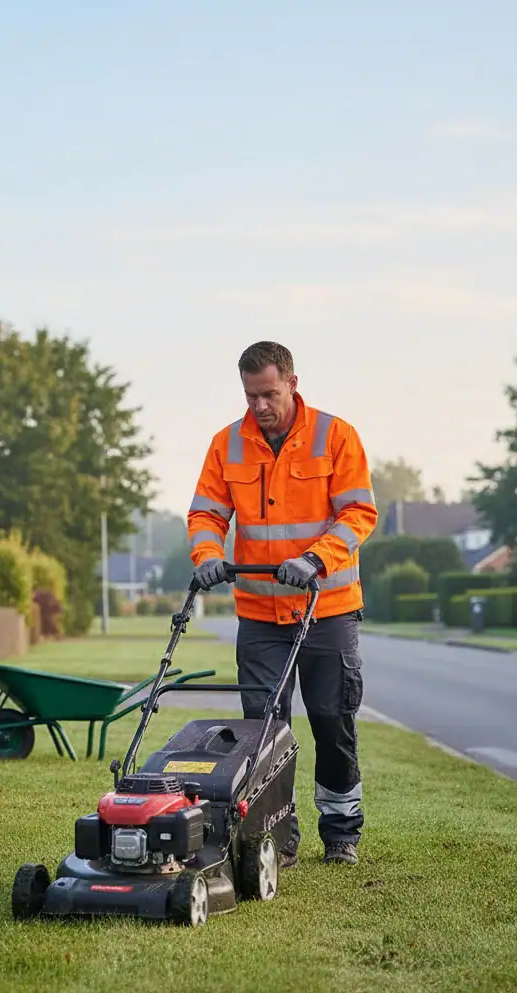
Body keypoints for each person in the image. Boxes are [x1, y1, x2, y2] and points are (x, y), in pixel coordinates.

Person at [187, 341, 377, 867]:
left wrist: (315, 559)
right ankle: (276, 834)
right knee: (264, 726)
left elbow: (358, 513)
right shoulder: (227, 443)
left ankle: (341, 833)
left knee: (331, 718)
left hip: (326, 609)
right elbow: (206, 512)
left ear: (292, 381)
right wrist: (206, 554)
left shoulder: (334, 436)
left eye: (269, 393)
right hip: (260, 614)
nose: (261, 406)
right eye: (251, 396)